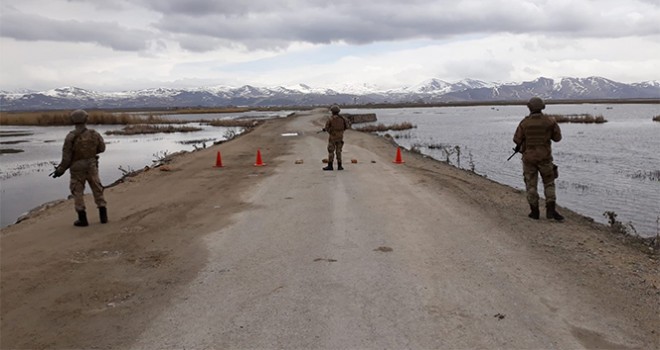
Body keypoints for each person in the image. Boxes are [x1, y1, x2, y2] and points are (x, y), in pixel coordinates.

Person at [51, 109, 108, 226]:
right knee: (97, 188)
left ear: (73, 120)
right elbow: (102, 149)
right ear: (86, 119)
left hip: (76, 167)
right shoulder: (94, 134)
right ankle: (103, 216)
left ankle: (82, 219)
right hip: (92, 165)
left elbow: (66, 158)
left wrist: (59, 171)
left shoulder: (70, 137)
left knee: (77, 191)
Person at [513, 97, 564, 221]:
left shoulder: (524, 123)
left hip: (529, 159)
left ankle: (534, 212)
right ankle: (551, 212)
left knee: (531, 185)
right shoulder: (550, 121)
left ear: (529, 107)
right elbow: (557, 138)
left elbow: (517, 139)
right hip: (545, 158)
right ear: (542, 106)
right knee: (549, 184)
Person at [322, 105, 350, 171]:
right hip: (340, 137)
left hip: (332, 137)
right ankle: (339, 166)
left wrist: (327, 130)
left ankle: (330, 166)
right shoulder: (343, 119)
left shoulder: (331, 119)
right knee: (339, 151)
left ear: (332, 112)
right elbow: (347, 126)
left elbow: (327, 127)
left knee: (331, 151)